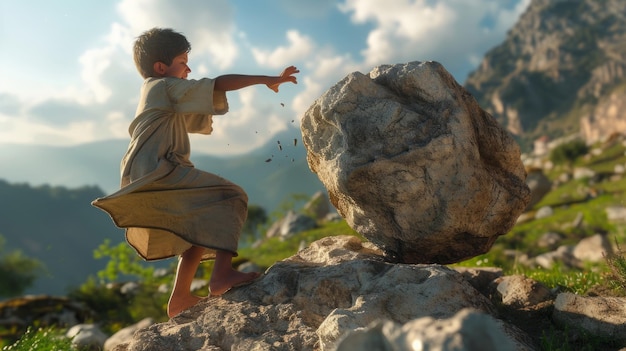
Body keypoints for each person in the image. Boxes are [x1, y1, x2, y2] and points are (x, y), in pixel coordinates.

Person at [92, 27, 299, 318]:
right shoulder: (163, 86)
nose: (188, 68)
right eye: (182, 61)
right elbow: (218, 84)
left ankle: (179, 299)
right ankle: (222, 276)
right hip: (157, 168)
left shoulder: (156, 90)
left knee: (201, 222)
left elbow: (196, 104)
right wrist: (268, 79)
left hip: (147, 168)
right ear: (161, 67)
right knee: (231, 195)